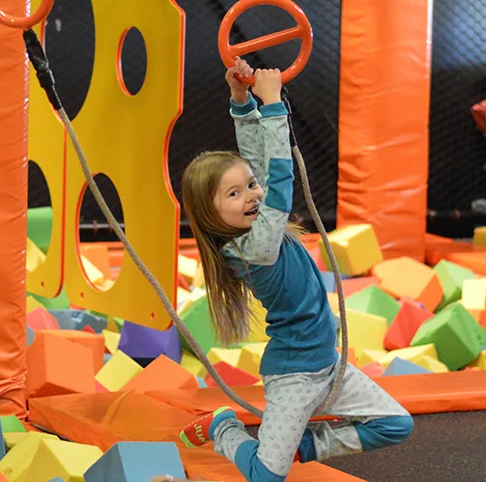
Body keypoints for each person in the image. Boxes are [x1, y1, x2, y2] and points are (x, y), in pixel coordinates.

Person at [173, 57, 414, 481]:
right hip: (295, 375)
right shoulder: (251, 248)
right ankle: (223, 427)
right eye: (234, 193)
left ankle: (308, 445)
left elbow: (259, 165)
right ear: (211, 215)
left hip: (330, 366)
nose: (250, 194)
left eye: (249, 187)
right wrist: (273, 108)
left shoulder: (257, 219)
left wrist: (242, 100)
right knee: (267, 477)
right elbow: (279, 181)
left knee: (396, 425)